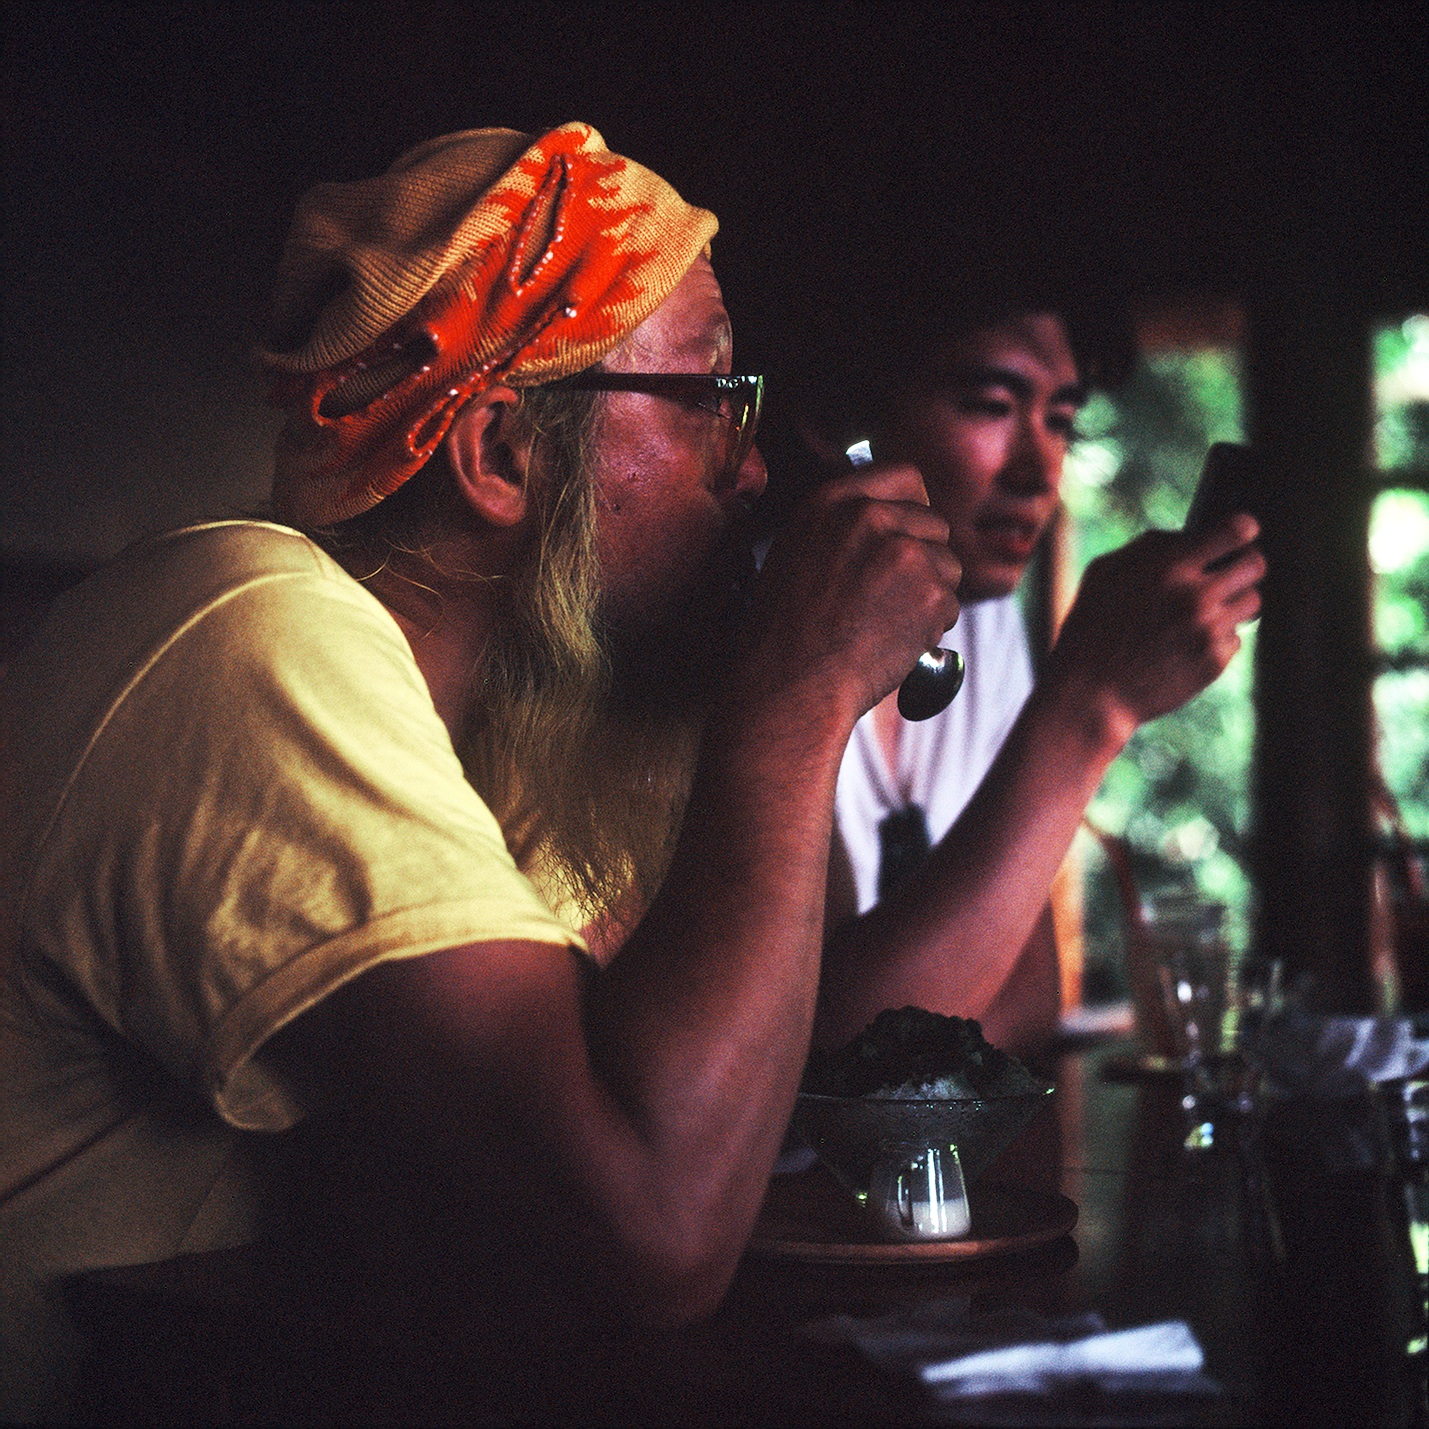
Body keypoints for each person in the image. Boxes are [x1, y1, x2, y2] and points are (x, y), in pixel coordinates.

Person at [0, 123, 962, 1421]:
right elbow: (656, 1229)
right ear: (502, 453)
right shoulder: (251, 630)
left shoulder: (497, 746)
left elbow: (722, 1097)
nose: (749, 469)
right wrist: (794, 700)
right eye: (712, 398)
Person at [800, 293, 1266, 1057]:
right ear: (838, 419)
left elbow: (1029, 998)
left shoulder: (976, 620)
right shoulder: (763, 623)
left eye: (1060, 422)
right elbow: (831, 1050)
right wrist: (1091, 704)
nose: (1036, 470)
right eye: (989, 405)